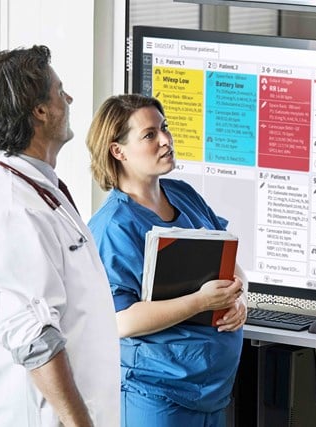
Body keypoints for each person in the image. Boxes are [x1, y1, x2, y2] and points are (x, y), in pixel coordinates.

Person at [0, 45, 120, 426]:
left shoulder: (34, 187)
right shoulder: (10, 204)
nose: (69, 98)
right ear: (40, 111)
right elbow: (33, 336)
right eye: (60, 91)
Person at [86, 94, 247, 427]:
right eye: (149, 135)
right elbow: (120, 321)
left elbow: (229, 261)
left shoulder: (183, 194)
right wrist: (201, 301)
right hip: (157, 397)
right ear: (118, 151)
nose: (165, 140)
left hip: (212, 393)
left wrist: (239, 298)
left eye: (165, 128)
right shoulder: (113, 227)